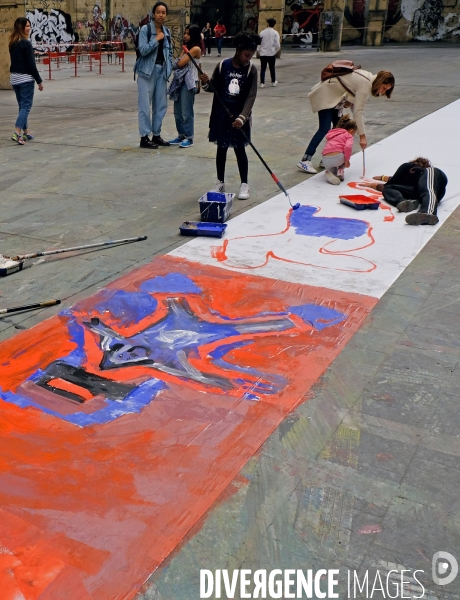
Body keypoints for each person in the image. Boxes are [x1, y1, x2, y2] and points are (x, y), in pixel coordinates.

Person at [298, 68, 395, 174]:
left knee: (339, 129)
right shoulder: (366, 84)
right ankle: (305, 160)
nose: (383, 92)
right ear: (380, 81)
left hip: (335, 99)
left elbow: (355, 108)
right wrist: (362, 136)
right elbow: (358, 112)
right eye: (384, 88)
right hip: (326, 96)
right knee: (324, 128)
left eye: (386, 90)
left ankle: (328, 158)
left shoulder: (368, 79)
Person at [200, 32, 261, 200]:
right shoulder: (223, 65)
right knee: (222, 148)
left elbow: (251, 95)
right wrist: (205, 82)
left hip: (239, 117)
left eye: (252, 54)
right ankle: (220, 182)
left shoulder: (251, 70)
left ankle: (244, 184)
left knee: (240, 149)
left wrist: (243, 117)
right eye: (246, 54)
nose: (249, 57)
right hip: (222, 115)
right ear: (238, 50)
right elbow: (214, 88)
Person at [134, 1, 173, 149]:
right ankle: (144, 137)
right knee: (145, 105)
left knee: (160, 105)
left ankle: (156, 135)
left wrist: (168, 68)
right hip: (146, 72)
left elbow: (169, 52)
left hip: (161, 71)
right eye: (158, 12)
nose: (161, 15)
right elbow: (143, 50)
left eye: (163, 12)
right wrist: (156, 40)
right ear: (153, 14)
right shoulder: (146, 30)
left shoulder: (167, 31)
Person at [368, 157, 448, 226]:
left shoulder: (414, 168)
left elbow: (393, 179)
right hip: (420, 193)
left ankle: (428, 212)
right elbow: (393, 182)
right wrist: (383, 177)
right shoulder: (414, 178)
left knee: (427, 189)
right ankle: (404, 203)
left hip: (431, 186)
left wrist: (375, 185)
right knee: (389, 188)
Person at [8, 17, 44, 146]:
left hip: (15, 78)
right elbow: (31, 65)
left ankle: (26, 132)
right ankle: (17, 132)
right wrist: (39, 81)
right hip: (25, 79)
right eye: (26, 26)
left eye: (29, 25)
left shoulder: (12, 42)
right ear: (21, 27)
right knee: (26, 107)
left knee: (22, 106)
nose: (29, 28)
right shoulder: (26, 43)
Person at [167, 25, 201, 148]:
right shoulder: (187, 48)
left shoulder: (195, 49)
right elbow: (177, 63)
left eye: (188, 34)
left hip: (189, 82)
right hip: (180, 82)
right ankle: (181, 135)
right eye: (185, 33)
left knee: (187, 112)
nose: (185, 36)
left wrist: (199, 84)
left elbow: (179, 63)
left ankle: (189, 137)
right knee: (178, 111)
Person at [321, 115, 357, 185]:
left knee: (332, 171)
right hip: (338, 159)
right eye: (354, 133)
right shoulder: (348, 135)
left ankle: (329, 173)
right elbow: (348, 147)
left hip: (325, 160)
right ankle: (340, 170)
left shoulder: (332, 133)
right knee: (347, 153)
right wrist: (347, 160)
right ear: (351, 130)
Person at [258, 18, 280, 88]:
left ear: (267, 24)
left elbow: (259, 43)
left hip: (263, 53)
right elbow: (277, 45)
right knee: (272, 68)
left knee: (263, 68)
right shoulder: (275, 33)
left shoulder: (262, 32)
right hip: (271, 53)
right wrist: (275, 51)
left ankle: (262, 83)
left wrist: (259, 50)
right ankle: (273, 82)